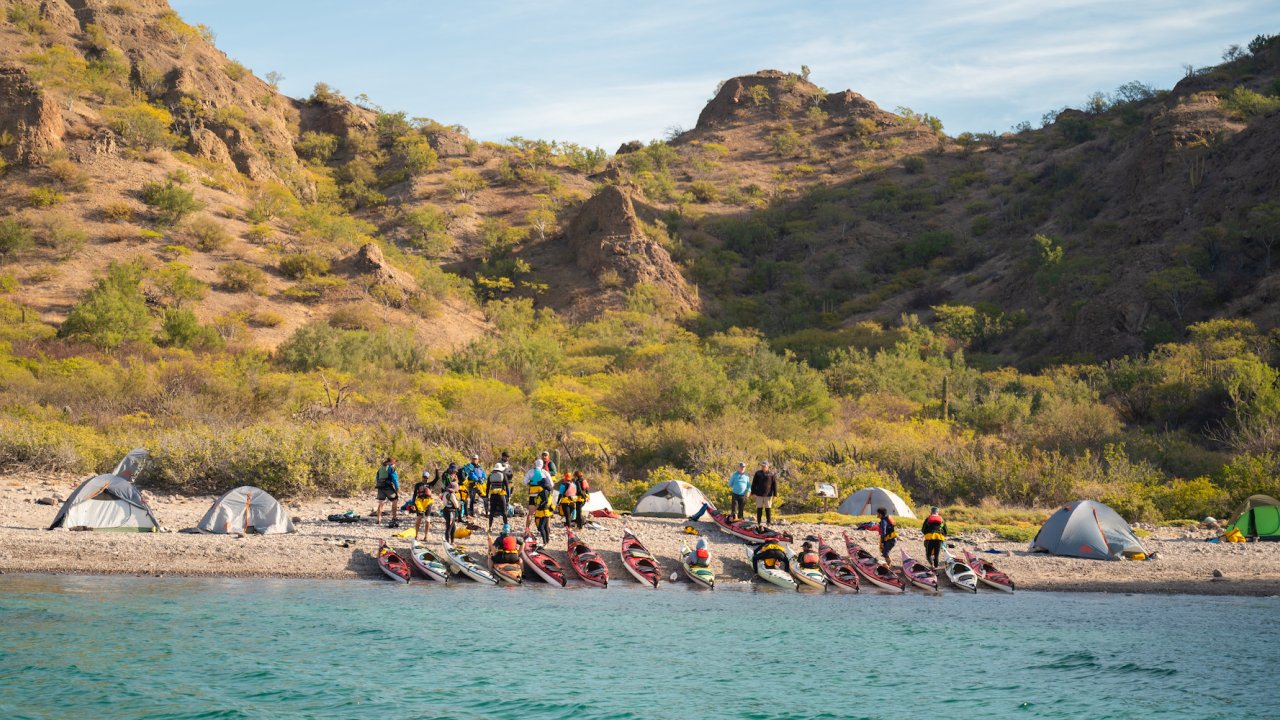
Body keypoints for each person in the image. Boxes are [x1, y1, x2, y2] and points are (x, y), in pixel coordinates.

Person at [523, 459, 551, 534]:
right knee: (545, 513)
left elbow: (524, 482)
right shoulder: (545, 472)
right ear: (542, 465)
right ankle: (547, 530)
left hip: (533, 495)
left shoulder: (530, 472)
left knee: (530, 514)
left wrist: (530, 482)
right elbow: (551, 484)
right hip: (542, 496)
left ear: (535, 464)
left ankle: (527, 530)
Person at [750, 460, 778, 525]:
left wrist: (775, 494)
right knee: (759, 508)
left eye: (764, 466)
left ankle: (768, 521)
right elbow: (754, 483)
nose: (763, 467)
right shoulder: (757, 473)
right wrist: (753, 493)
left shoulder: (772, 474)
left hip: (768, 494)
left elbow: (775, 484)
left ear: (768, 466)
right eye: (762, 466)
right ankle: (759, 522)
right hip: (759, 494)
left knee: (768, 508)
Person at [460, 454, 487, 518]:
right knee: (472, 499)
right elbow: (471, 474)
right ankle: (471, 513)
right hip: (472, 485)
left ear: (478, 459)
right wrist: (478, 479)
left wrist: (483, 479)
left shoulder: (480, 467)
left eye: (475, 459)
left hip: (480, 485)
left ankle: (486, 512)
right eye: (473, 459)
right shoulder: (470, 466)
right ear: (472, 459)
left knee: (485, 498)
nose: (474, 460)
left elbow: (484, 474)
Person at [486, 460, 511, 530]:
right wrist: (509, 496)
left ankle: (490, 527)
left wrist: (486, 496)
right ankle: (506, 526)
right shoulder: (503, 474)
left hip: (493, 495)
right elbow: (507, 486)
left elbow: (487, 487)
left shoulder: (490, 475)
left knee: (492, 512)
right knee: (504, 511)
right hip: (501, 495)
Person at [375, 458, 400, 527]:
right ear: (390, 462)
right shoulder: (391, 468)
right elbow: (394, 479)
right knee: (395, 501)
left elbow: (377, 478)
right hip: (388, 487)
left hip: (380, 486)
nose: (394, 463)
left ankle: (378, 519)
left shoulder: (381, 468)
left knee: (381, 502)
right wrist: (397, 488)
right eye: (394, 462)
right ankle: (394, 517)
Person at [530, 473, 553, 545]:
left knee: (541, 526)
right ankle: (547, 540)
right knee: (545, 526)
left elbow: (545, 501)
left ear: (542, 485)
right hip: (546, 511)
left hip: (543, 511)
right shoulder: (548, 491)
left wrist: (539, 506)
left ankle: (545, 542)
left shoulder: (544, 492)